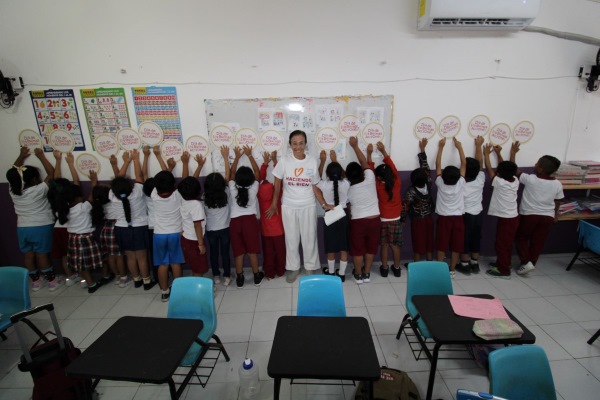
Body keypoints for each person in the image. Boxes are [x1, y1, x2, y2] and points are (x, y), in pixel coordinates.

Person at [267, 130, 327, 283]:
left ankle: (310, 267)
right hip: (289, 206)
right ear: (290, 145)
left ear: (305, 144)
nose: (298, 147)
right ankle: (293, 268)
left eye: (301, 143)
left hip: (308, 205)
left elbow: (314, 185)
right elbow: (277, 183)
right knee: (291, 239)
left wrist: (323, 203)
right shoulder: (284, 161)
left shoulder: (312, 161)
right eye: (295, 143)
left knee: (310, 238)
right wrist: (274, 203)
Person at [47, 152, 103, 293]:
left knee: (79, 263)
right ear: (78, 197)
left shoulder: (63, 209)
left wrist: (63, 162)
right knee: (87, 262)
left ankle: (85, 281)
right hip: (85, 238)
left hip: (73, 238)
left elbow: (58, 182)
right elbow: (91, 197)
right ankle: (91, 282)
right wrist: (94, 183)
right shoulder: (82, 207)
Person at [7, 146, 57, 291]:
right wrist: (41, 157)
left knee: (28, 256)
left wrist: (21, 155)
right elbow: (51, 173)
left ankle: (35, 281)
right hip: (41, 226)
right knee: (42, 255)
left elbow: (14, 172)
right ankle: (51, 281)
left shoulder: (13, 191)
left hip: (22, 228)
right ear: (35, 179)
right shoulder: (38, 190)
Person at [109, 149, 156, 291]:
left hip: (121, 229)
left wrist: (125, 162)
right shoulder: (136, 193)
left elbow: (118, 180)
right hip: (139, 228)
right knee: (142, 257)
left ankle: (137, 280)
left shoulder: (113, 196)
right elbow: (139, 176)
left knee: (130, 257)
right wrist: (135, 160)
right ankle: (146, 281)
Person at [514, 145, 563, 275]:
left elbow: (515, 171)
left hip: (530, 215)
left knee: (522, 238)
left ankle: (526, 262)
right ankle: (531, 263)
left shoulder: (531, 179)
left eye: (537, 163)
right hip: (548, 217)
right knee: (538, 242)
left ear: (540, 168)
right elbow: (558, 201)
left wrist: (513, 153)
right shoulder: (557, 183)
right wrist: (556, 214)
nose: (534, 164)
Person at [152, 151, 190, 301]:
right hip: (175, 233)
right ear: (173, 184)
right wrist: (185, 163)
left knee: (162, 264)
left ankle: (164, 291)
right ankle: (178, 290)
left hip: (159, 234)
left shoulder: (154, 195)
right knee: (175, 263)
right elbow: (185, 180)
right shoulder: (177, 195)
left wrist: (168, 165)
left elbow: (163, 179)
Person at [346, 137, 381, 284]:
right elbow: (363, 161)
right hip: (374, 220)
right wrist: (355, 146)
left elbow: (348, 206)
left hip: (358, 222)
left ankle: (358, 274)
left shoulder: (349, 190)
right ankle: (367, 273)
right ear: (361, 172)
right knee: (371, 248)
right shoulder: (370, 178)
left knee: (358, 249)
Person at [228, 146, 264, 288]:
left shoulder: (232, 187)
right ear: (251, 179)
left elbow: (231, 173)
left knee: (239, 253)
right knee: (252, 251)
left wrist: (237, 157)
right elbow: (257, 172)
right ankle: (256, 276)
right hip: (250, 222)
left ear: (237, 179)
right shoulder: (254, 188)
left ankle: (240, 279)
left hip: (235, 223)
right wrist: (249, 155)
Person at [484, 142, 520, 279]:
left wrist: (486, 154)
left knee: (502, 244)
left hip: (507, 219)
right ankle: (505, 263)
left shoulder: (499, 182)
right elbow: (505, 168)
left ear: (499, 173)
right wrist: (498, 153)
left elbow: (489, 169)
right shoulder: (515, 180)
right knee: (506, 243)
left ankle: (504, 270)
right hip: (511, 217)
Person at [434, 137, 467, 279]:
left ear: (443, 176)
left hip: (444, 219)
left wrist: (441, 147)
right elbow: (464, 163)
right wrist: (459, 147)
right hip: (458, 219)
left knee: (441, 245)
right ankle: (452, 270)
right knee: (456, 246)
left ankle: (439, 269)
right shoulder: (461, 182)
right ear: (459, 177)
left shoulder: (440, 182)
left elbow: (437, 164)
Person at [370, 142, 402, 278]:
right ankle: (397, 268)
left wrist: (369, 154)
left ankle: (384, 269)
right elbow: (391, 166)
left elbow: (370, 172)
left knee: (384, 245)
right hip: (396, 219)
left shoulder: (378, 185)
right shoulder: (397, 181)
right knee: (395, 246)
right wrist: (383, 151)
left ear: (379, 177)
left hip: (383, 219)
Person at [317, 149, 350, 281]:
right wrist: (335, 160)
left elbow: (315, 180)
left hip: (330, 215)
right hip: (344, 215)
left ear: (327, 174)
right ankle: (341, 274)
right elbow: (343, 175)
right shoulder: (346, 183)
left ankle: (331, 273)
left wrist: (322, 161)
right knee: (344, 246)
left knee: (330, 246)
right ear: (341, 172)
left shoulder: (324, 185)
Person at [401, 139, 435, 268]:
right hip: (429, 217)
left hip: (417, 220)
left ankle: (417, 265)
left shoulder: (411, 191)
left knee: (418, 241)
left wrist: (402, 220)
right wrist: (422, 150)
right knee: (429, 240)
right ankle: (430, 263)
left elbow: (405, 206)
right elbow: (425, 167)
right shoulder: (429, 182)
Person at [456, 136, 486, 275]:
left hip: (465, 215)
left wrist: (459, 148)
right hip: (478, 213)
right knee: (476, 237)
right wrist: (479, 146)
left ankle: (464, 263)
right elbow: (480, 162)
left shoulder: (461, 184)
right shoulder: (480, 178)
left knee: (464, 238)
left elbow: (477, 164)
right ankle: (474, 262)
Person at [204, 145, 233, 286]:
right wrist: (225, 157)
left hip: (211, 230)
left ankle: (216, 275)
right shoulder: (226, 192)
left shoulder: (204, 197)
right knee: (225, 253)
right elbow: (227, 176)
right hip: (225, 229)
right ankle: (227, 276)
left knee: (213, 253)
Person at [178, 154, 209, 277]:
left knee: (195, 265)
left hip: (187, 238)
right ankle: (198, 287)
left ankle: (195, 283)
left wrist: (198, 166)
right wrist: (200, 244)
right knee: (199, 268)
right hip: (194, 240)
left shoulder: (183, 197)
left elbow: (187, 183)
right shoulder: (196, 204)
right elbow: (197, 225)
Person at [257, 150, 286, 279]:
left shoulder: (259, 195)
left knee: (268, 253)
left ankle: (269, 272)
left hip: (265, 231)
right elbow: (279, 179)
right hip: (278, 230)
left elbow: (260, 178)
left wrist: (265, 163)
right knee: (280, 252)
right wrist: (274, 161)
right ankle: (280, 271)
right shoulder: (276, 194)